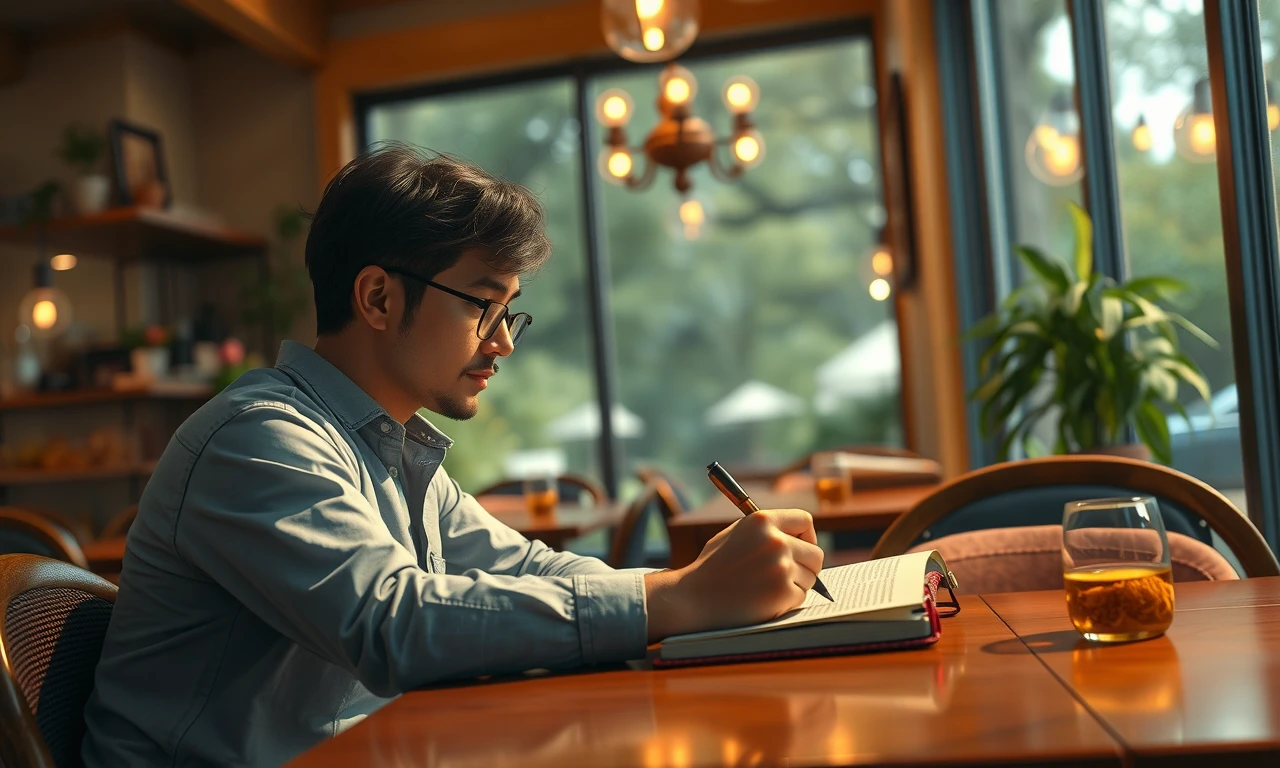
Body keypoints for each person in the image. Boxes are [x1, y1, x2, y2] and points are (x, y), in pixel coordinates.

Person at [81, 144, 824, 767]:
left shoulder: (385, 447)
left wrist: (687, 583)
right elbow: (391, 623)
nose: (502, 342)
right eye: (483, 306)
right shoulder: (257, 440)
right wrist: (673, 600)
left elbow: (529, 567)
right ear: (376, 298)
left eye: (509, 313)